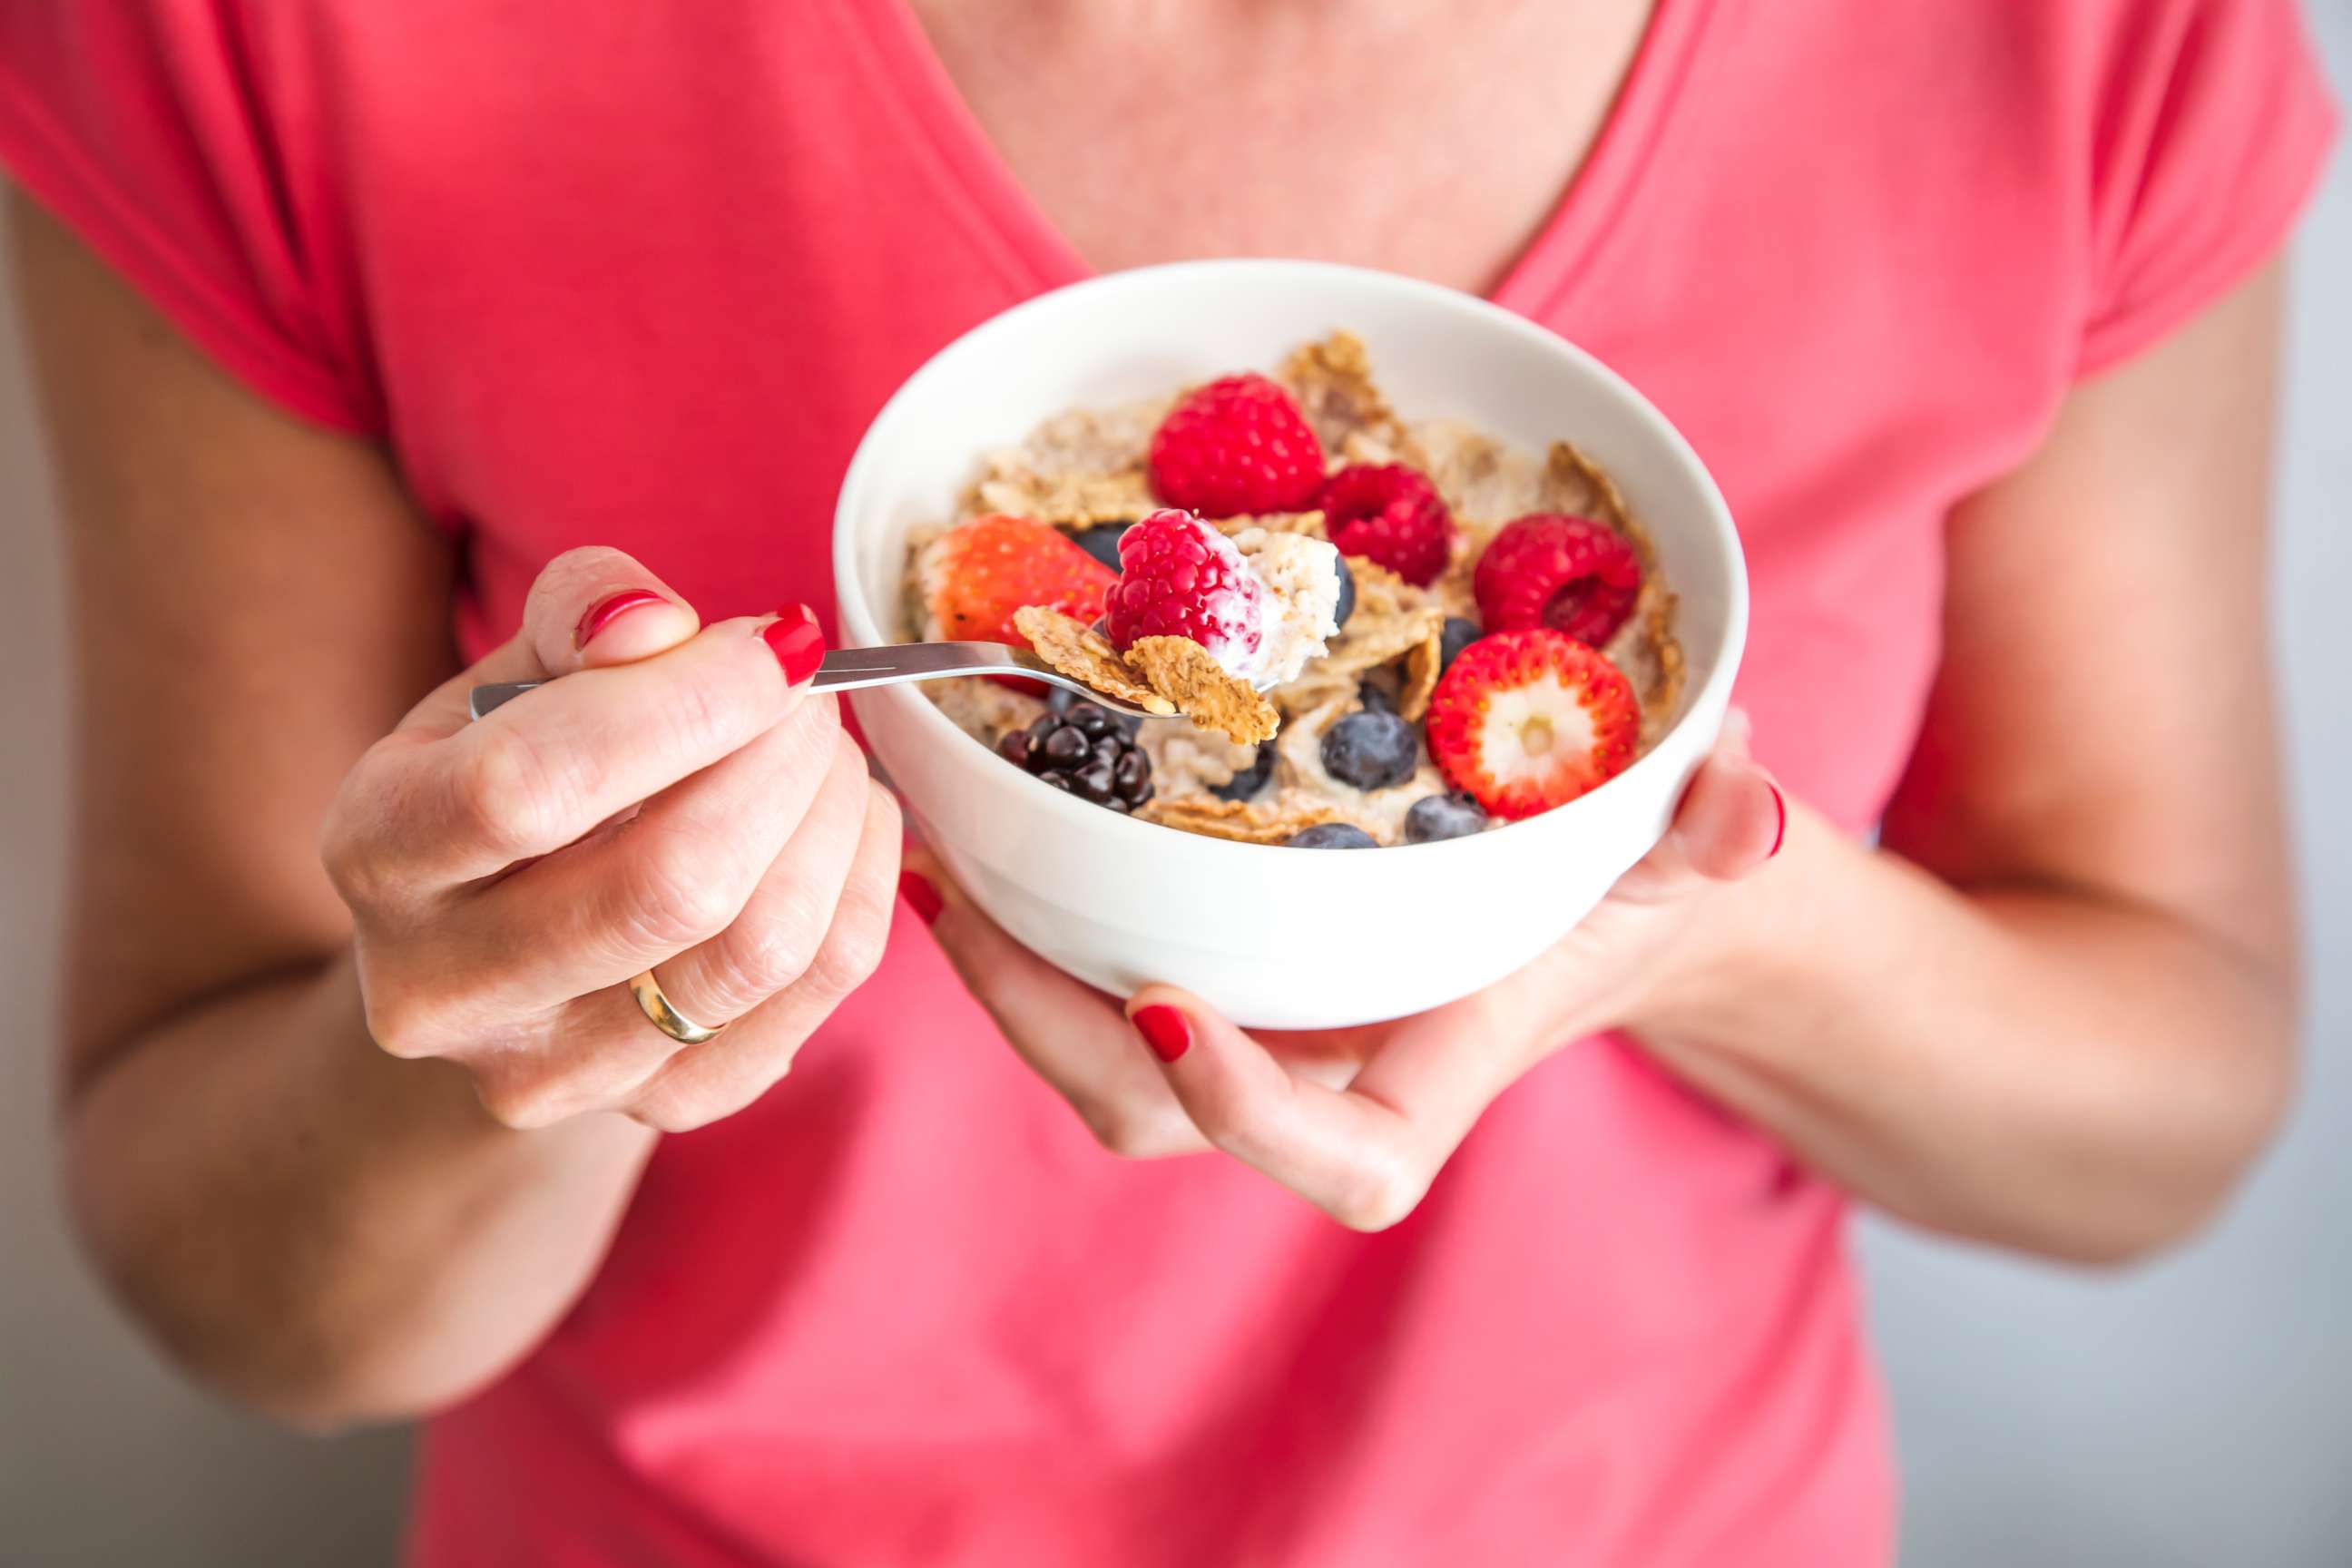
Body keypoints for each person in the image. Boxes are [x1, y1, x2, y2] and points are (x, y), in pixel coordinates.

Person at [1, 2, 2334, 1563]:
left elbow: (2161, 1118)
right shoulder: (270, 43)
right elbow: (234, 1295)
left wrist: (1719, 915)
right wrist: (574, 980)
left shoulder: (2082, 46)